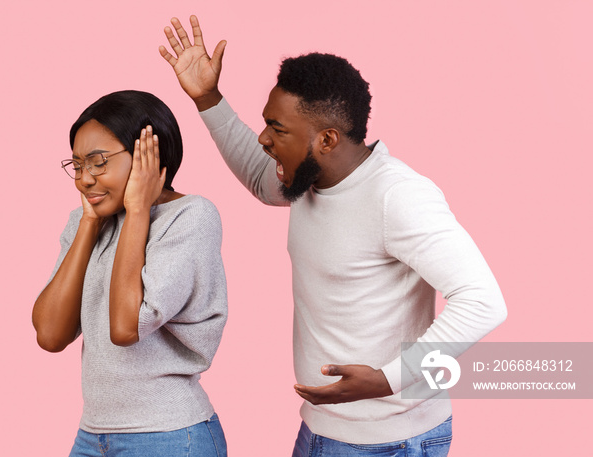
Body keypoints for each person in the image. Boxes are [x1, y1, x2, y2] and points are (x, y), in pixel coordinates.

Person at [159, 16, 507, 456]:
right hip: (325, 429)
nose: (264, 139)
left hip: (387, 442)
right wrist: (207, 98)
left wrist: (389, 379)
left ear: (326, 139)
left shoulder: (396, 196)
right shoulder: (308, 180)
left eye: (278, 129)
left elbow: (482, 301)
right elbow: (255, 172)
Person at [32, 90, 228, 457]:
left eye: (98, 162)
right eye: (77, 165)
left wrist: (138, 211)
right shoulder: (85, 221)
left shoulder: (190, 217)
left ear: (146, 155)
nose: (84, 179)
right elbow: (50, 334)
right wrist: (90, 223)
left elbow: (126, 327)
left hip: (168, 436)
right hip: (92, 436)